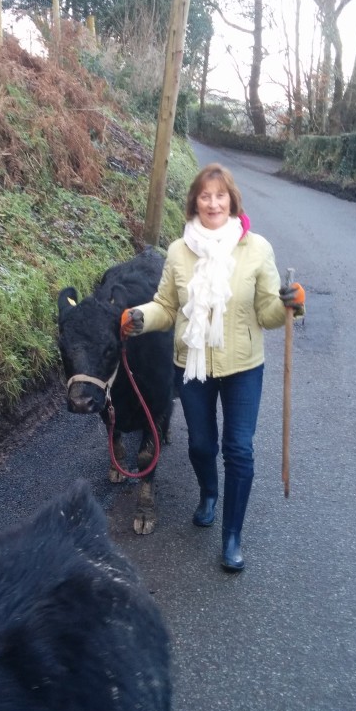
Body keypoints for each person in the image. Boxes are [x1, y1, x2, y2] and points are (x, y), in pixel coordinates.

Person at [120, 163, 304, 572]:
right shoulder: (178, 252)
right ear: (195, 203)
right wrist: (139, 317)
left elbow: (269, 313)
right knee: (202, 445)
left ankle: (232, 536)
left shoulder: (256, 249)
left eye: (220, 196)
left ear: (232, 201)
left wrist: (292, 303)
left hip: (243, 366)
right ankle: (208, 493)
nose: (213, 203)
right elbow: (167, 307)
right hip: (193, 365)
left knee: (239, 448)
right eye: (205, 196)